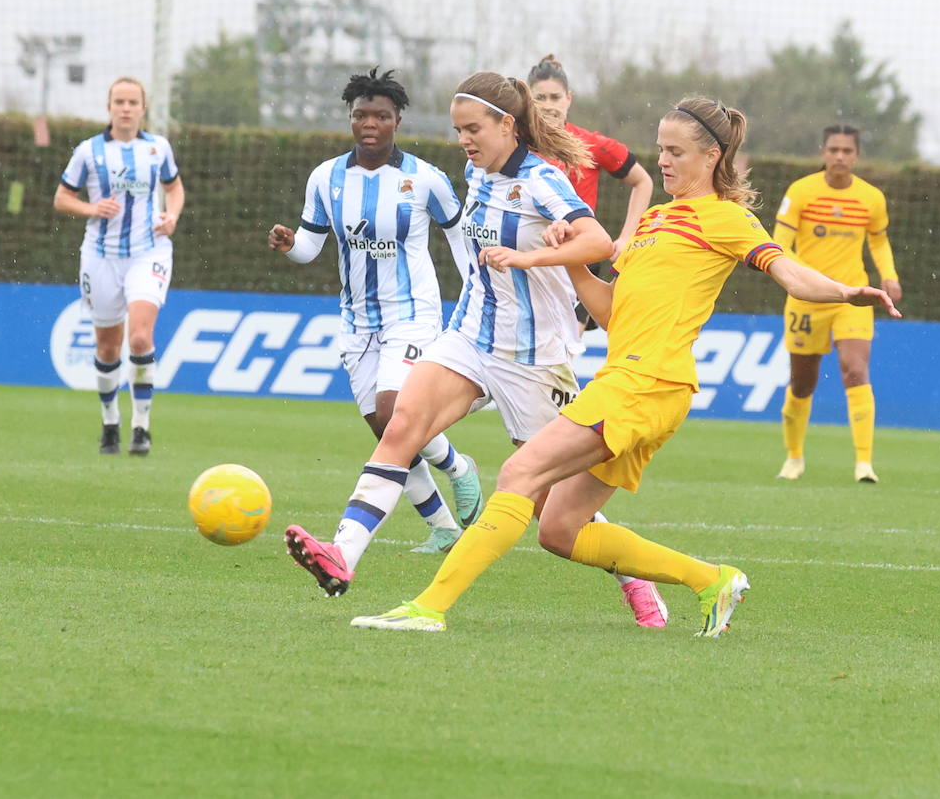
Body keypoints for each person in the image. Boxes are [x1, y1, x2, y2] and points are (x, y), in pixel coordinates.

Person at [349, 98, 901, 635]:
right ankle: (712, 580)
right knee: (561, 529)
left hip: (648, 382)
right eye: (660, 149)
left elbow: (791, 274)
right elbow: (615, 313)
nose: (662, 160)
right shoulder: (657, 218)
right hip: (633, 379)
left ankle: (428, 607)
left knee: (520, 475)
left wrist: (845, 291)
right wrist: (576, 262)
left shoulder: (727, 218)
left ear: (711, 157)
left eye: (675, 151)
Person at [284, 71, 673, 627]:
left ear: (506, 126)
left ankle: (634, 578)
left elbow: (597, 241)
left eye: (473, 130)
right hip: (468, 336)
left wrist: (529, 258)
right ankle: (341, 553)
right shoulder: (476, 171)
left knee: (550, 504)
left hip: (532, 357)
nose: (464, 141)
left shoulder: (542, 180)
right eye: (458, 130)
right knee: (401, 426)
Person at [267, 68, 483, 554]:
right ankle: (443, 526)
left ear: (397, 120)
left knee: (396, 411)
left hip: (412, 314)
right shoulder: (326, 177)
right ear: (350, 119)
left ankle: (457, 467)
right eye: (360, 114)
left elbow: (458, 238)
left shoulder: (425, 179)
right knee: (384, 430)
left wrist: (476, 294)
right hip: (357, 322)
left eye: (380, 116)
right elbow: (310, 247)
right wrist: (289, 245)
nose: (369, 123)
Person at [54, 77, 184, 456]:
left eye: (133, 102)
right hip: (100, 255)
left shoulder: (158, 148)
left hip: (149, 251)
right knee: (107, 346)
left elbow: (174, 188)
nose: (126, 108)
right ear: (108, 107)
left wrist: (171, 215)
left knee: (140, 338)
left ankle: (141, 426)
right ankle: (110, 421)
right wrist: (91, 209)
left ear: (144, 108)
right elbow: (62, 198)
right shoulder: (88, 152)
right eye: (119, 102)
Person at [773, 124, 903, 484]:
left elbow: (878, 241)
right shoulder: (801, 192)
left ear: (857, 156)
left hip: (853, 296)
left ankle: (864, 463)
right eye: (834, 150)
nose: (840, 157)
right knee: (802, 383)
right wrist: (803, 278)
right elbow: (779, 242)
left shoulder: (871, 198)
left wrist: (888, 276)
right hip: (807, 296)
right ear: (823, 152)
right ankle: (794, 458)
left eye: (847, 151)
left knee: (855, 370)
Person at [528, 54, 654, 332]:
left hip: (580, 262)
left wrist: (626, 237)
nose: (549, 105)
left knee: (565, 344)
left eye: (555, 97)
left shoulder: (591, 145)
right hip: (532, 260)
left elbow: (643, 181)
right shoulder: (516, 149)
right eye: (540, 98)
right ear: (528, 101)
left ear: (569, 99)